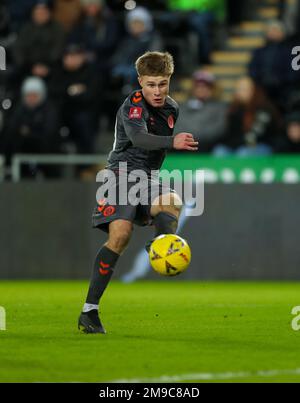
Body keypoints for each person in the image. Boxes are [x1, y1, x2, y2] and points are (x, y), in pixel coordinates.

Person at [78, 51, 198, 334]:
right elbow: (139, 139)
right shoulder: (132, 105)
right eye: (151, 84)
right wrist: (173, 141)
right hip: (120, 176)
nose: (157, 91)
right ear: (140, 81)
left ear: (169, 81)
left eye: (163, 84)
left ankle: (159, 244)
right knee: (120, 236)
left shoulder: (172, 108)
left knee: (172, 201)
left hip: (147, 179)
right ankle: (89, 312)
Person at [174, 70, 227, 152]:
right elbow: (176, 127)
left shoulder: (220, 107)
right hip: (182, 148)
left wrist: (193, 139)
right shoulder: (182, 106)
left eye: (205, 86)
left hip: (208, 148)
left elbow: (218, 129)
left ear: (212, 89)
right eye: (198, 86)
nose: (201, 89)